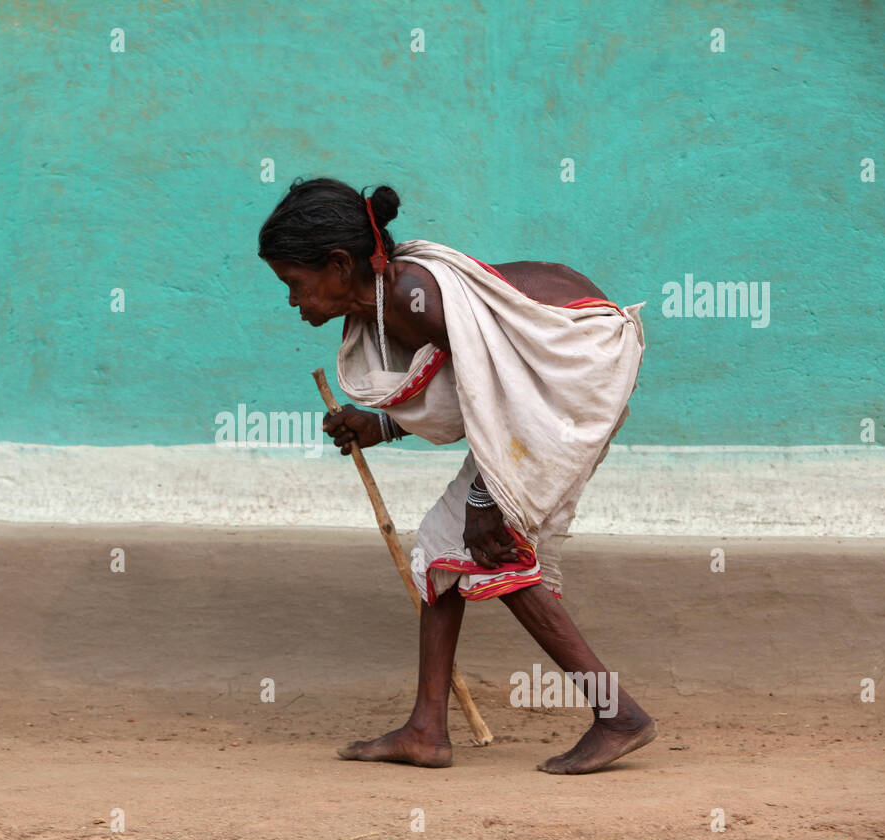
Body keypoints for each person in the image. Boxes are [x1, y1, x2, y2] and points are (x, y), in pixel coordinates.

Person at [258, 177, 658, 773]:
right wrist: (379, 428)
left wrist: (487, 495)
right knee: (445, 551)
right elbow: (462, 389)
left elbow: (499, 391)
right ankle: (426, 729)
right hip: (540, 384)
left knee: (489, 545)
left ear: (340, 264)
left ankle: (618, 715)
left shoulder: (409, 297)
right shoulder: (385, 299)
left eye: (295, 284)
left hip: (576, 364)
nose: (293, 301)